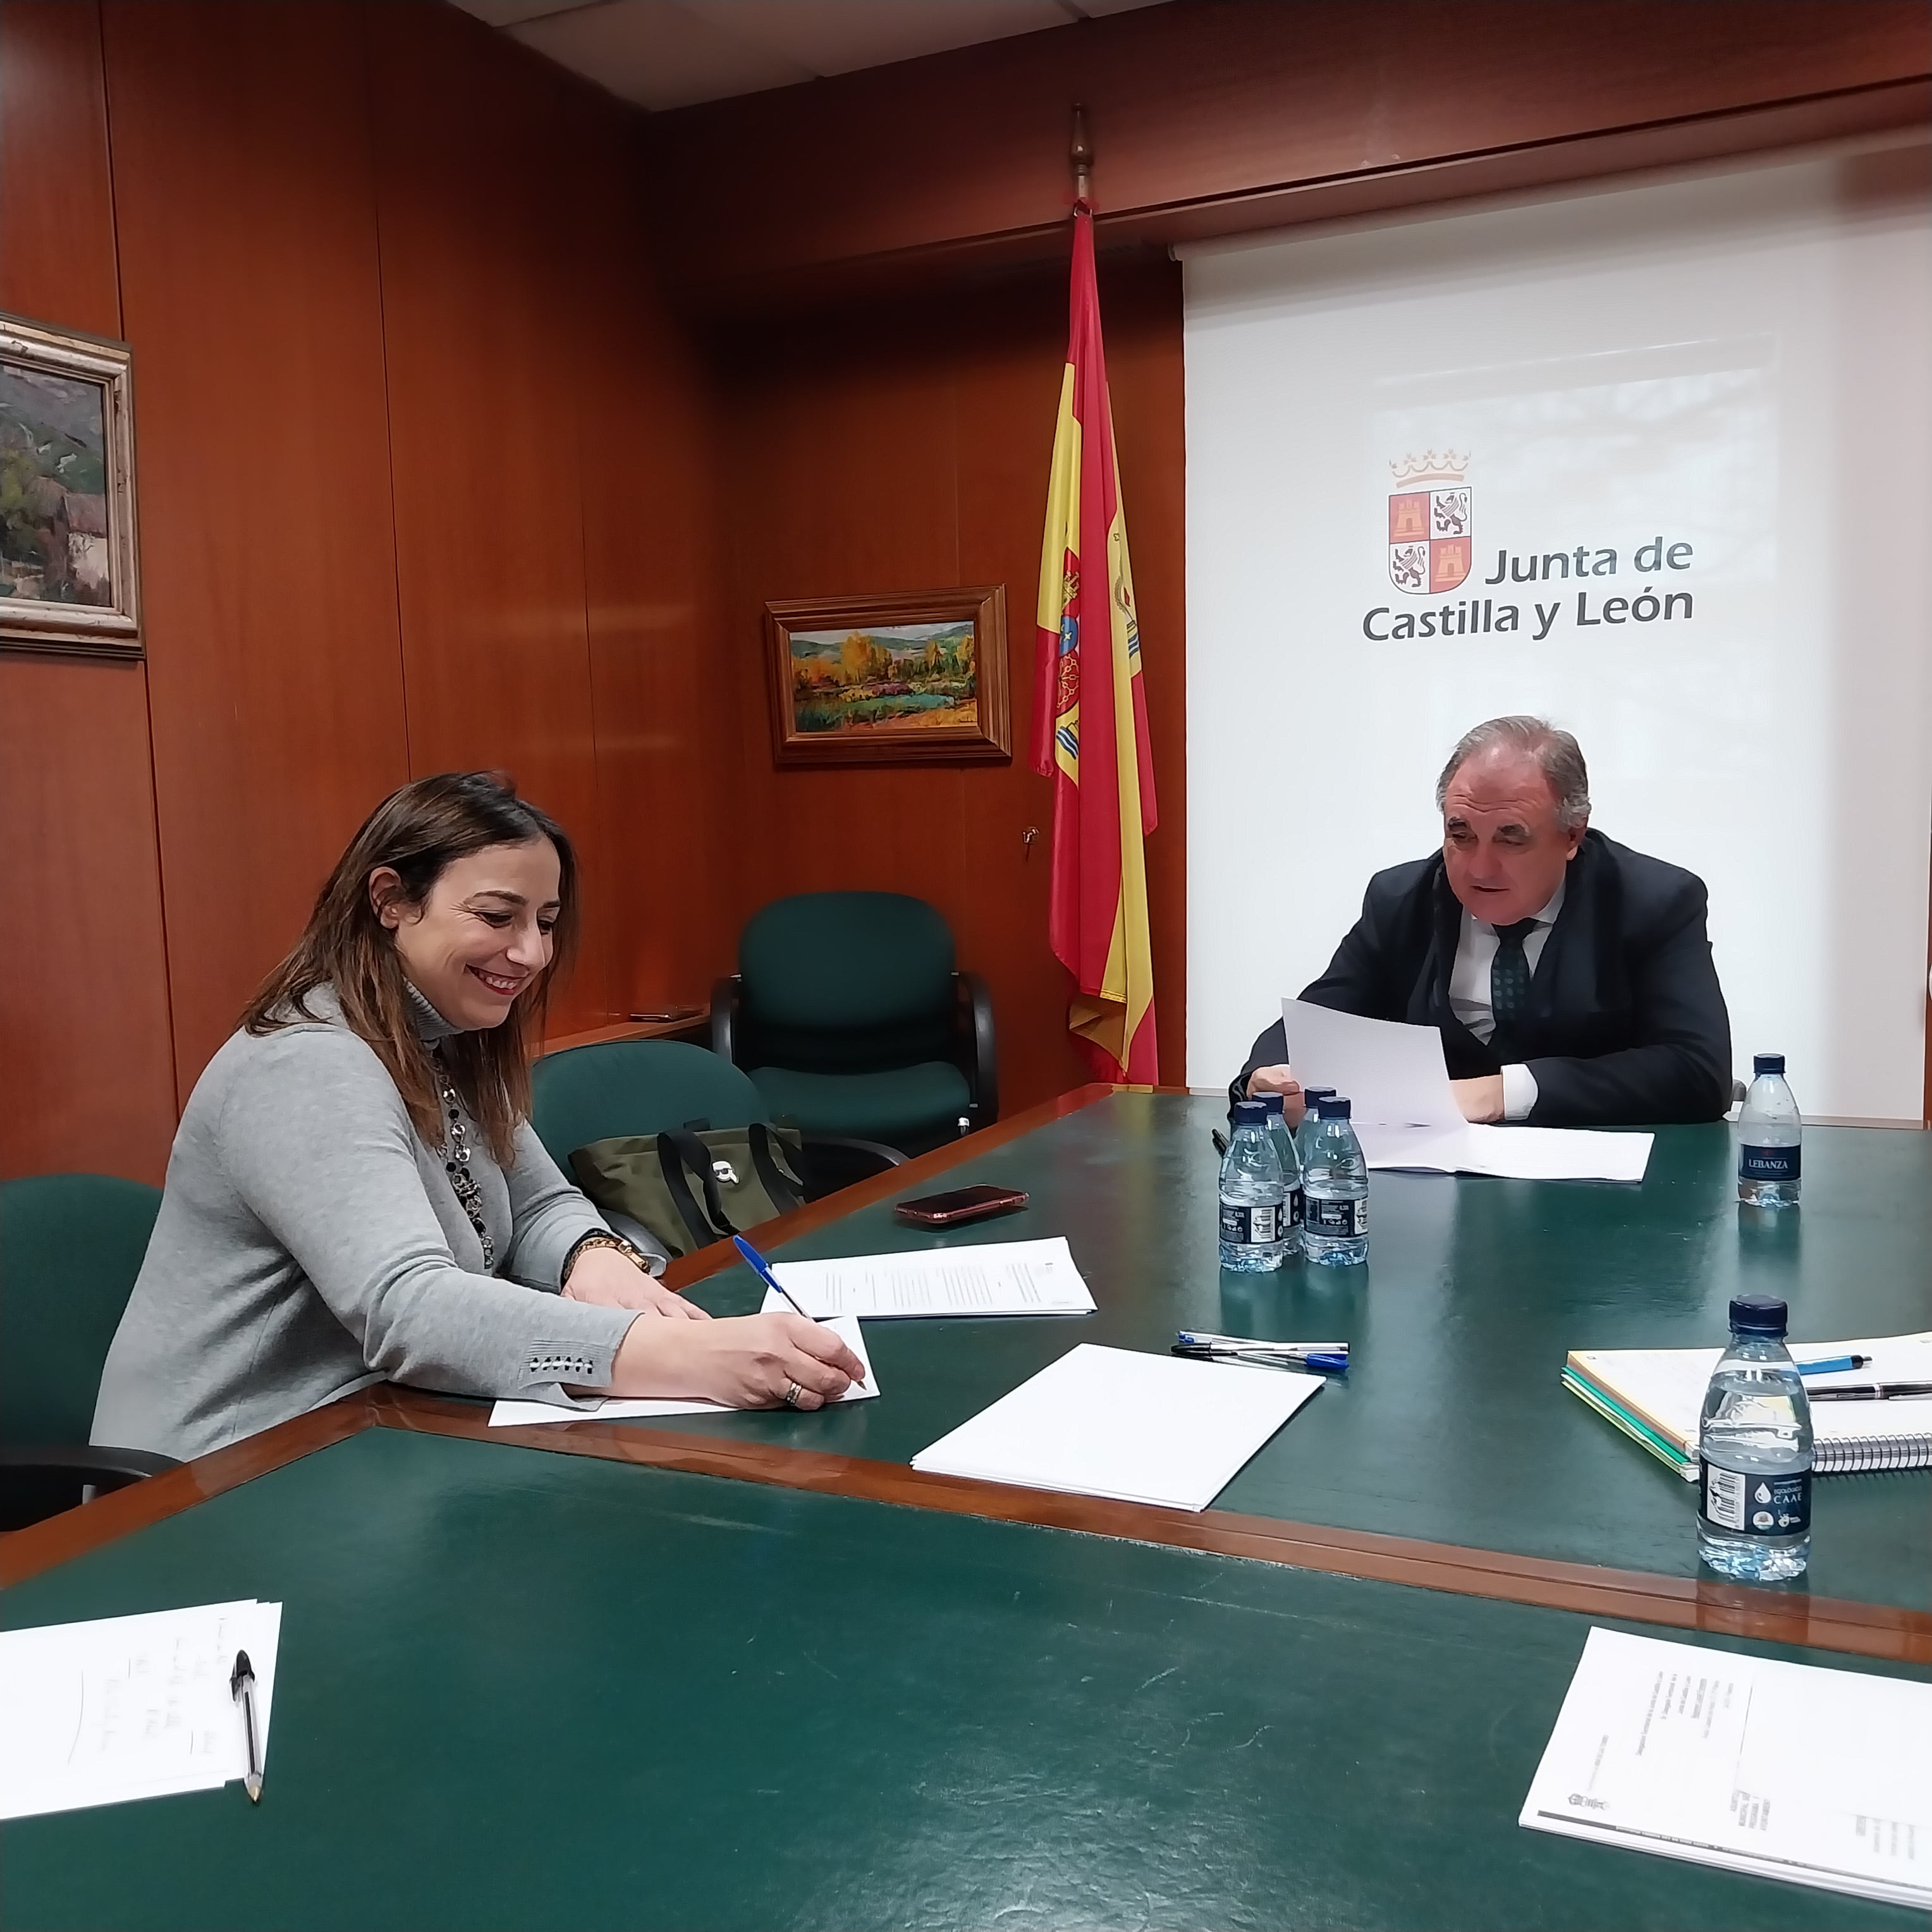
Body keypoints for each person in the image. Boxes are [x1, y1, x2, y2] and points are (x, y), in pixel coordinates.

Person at [93, 772, 863, 1461]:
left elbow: (539, 1203)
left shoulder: (449, 1034)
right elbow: (411, 1309)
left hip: (381, 1425)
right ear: (390, 900)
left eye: (547, 920)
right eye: (497, 916)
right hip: (232, 1472)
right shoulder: (305, 1064)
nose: (529, 953)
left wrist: (589, 1256)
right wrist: (675, 1355)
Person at [1234, 716, 1732, 1128]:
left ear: (1573, 835)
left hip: (1604, 1206)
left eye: (1511, 839)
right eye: (1461, 834)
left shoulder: (1654, 901)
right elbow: (1319, 1021)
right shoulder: (1400, 899)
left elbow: (1698, 1070)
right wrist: (1269, 1075)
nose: (1479, 868)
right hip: (1432, 1190)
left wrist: (1502, 1093)